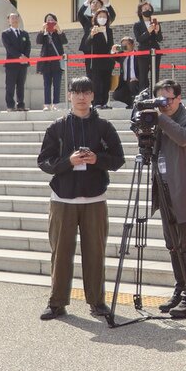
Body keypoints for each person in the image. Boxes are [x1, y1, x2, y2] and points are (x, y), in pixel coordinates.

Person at [35, 77, 125, 320]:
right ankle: (57, 303)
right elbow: (44, 161)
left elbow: (118, 158)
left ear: (93, 96)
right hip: (62, 198)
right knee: (61, 252)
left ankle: (97, 302)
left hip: (95, 198)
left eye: (86, 92)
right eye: (77, 92)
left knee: (95, 253)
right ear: (70, 95)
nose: (82, 97)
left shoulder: (104, 126)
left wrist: (98, 159)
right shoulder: (57, 127)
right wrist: (69, 162)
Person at [147, 80, 186, 320]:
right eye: (159, 101)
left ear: (179, 98)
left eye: (168, 100)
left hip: (185, 190)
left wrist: (159, 118)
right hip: (163, 190)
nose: (164, 105)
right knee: (172, 245)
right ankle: (180, 288)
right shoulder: (157, 121)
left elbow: (183, 138)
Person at [80, 5, 115, 109]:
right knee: (97, 83)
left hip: (108, 61)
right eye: (100, 16)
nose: (102, 18)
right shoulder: (92, 29)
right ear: (96, 18)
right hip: (95, 62)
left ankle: (104, 103)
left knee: (106, 83)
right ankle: (97, 103)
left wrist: (114, 49)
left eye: (104, 16)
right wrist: (91, 35)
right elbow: (87, 44)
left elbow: (110, 45)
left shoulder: (109, 31)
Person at [35, 14, 68, 111]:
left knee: (57, 84)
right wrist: (42, 30)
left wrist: (59, 29)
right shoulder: (44, 33)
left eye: (52, 20)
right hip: (45, 63)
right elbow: (38, 41)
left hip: (57, 63)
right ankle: (47, 104)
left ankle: (56, 104)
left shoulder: (58, 32)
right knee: (47, 84)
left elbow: (64, 41)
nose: (50, 22)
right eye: (48, 20)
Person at [0, 12, 31, 112]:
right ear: (8, 20)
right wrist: (19, 56)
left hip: (23, 64)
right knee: (10, 85)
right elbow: (9, 47)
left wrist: (25, 57)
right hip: (11, 64)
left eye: (16, 18)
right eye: (12, 18)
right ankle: (10, 105)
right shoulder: (5, 33)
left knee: (21, 85)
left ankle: (21, 105)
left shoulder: (24, 33)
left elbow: (28, 46)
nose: (14, 20)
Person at [135, 13, 162, 93]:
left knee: (155, 75)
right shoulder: (137, 25)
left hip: (155, 52)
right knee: (143, 76)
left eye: (148, 8)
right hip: (143, 53)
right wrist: (148, 31)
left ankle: (155, 95)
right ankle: (143, 97)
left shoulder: (155, 23)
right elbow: (139, 39)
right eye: (144, 8)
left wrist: (157, 32)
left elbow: (160, 39)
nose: (147, 10)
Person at [112, 36, 142, 107]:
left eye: (127, 44)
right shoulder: (122, 56)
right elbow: (112, 56)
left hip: (135, 80)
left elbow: (144, 69)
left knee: (133, 85)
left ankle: (135, 104)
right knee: (116, 95)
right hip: (124, 82)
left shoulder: (138, 55)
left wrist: (138, 78)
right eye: (123, 45)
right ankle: (131, 103)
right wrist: (114, 50)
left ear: (133, 45)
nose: (125, 46)